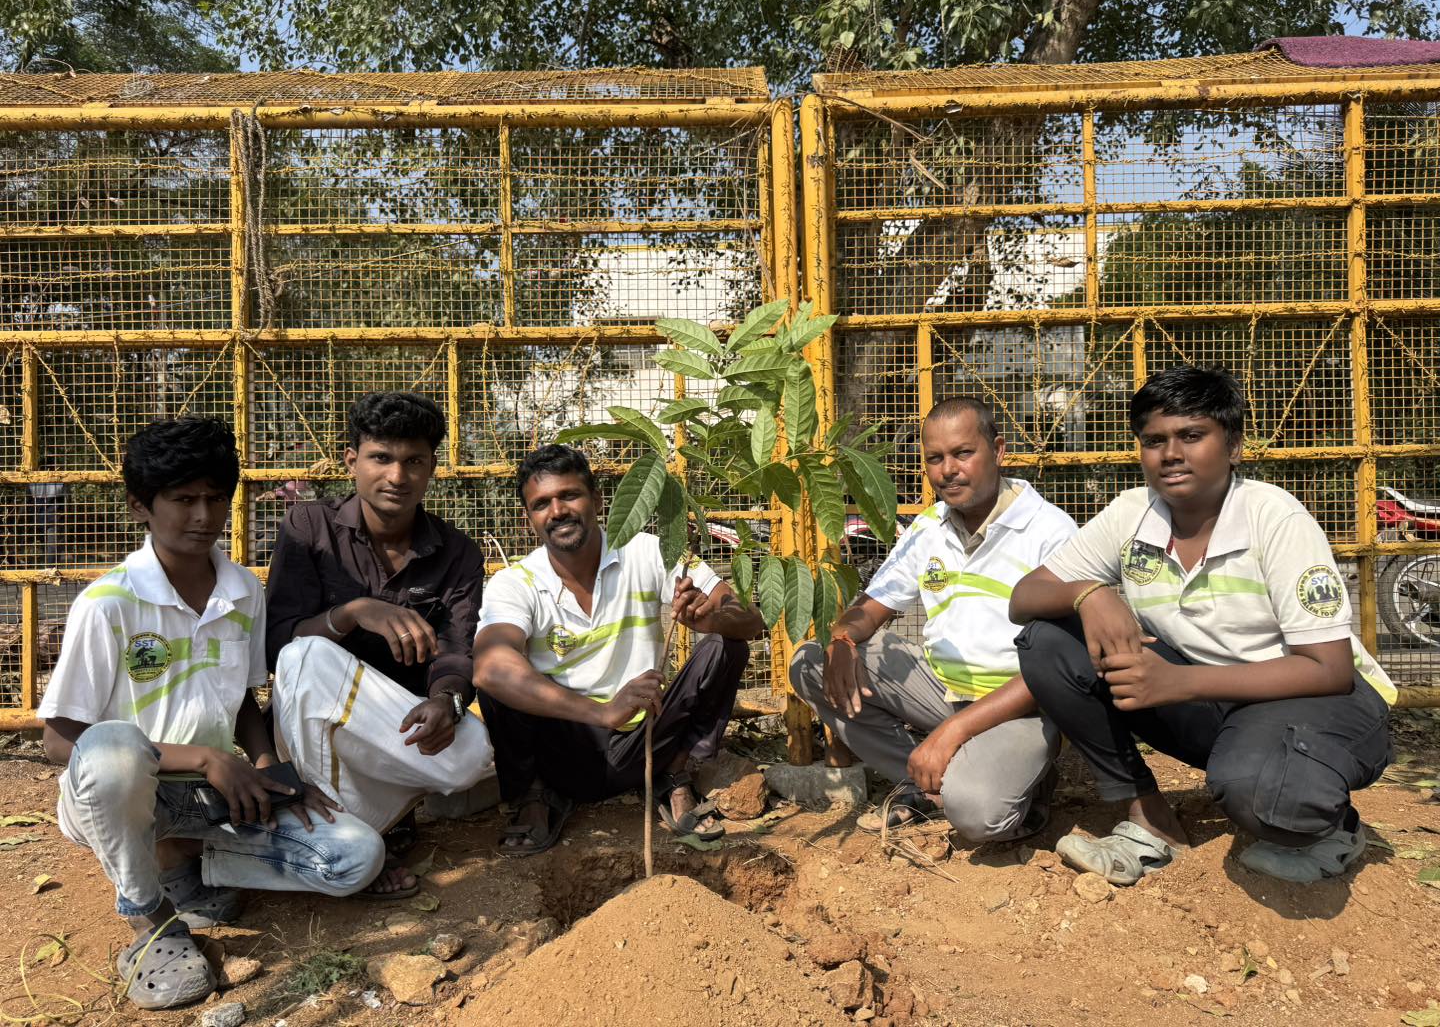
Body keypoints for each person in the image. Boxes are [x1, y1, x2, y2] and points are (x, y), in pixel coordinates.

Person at [38, 417, 385, 1011]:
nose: (203, 516)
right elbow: (61, 741)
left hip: (213, 794)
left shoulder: (243, 591)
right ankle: (149, 924)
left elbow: (248, 701)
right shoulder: (107, 604)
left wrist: (273, 773)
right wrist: (205, 757)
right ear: (140, 506)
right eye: (182, 499)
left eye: (215, 498)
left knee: (356, 857)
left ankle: (191, 864)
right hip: (122, 798)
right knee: (117, 751)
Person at [1010, 365, 1394, 885]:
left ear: (1233, 446)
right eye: (1154, 440)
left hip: (1318, 703)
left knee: (1252, 793)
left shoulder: (1274, 519)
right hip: (1214, 701)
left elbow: (1329, 671)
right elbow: (1024, 597)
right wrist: (1088, 592)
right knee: (1048, 642)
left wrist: (1178, 682)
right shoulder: (1132, 514)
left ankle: (1334, 830)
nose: (1171, 453)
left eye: (1192, 435)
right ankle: (1147, 819)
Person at [790, 398, 1077, 841]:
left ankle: (1013, 783)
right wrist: (843, 639)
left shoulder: (1049, 532)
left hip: (1023, 706)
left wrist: (952, 733)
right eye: (934, 458)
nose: (947, 470)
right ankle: (923, 782)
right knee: (811, 662)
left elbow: (1060, 668)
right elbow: (871, 606)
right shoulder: (929, 529)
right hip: (944, 693)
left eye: (963, 453)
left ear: (998, 451)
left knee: (979, 817)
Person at [472, 444, 765, 855]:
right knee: (498, 673)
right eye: (542, 504)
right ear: (528, 520)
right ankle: (534, 795)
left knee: (724, 647)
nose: (557, 511)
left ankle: (676, 774)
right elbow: (489, 670)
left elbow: (751, 621)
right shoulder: (514, 582)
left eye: (569, 495)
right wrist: (600, 711)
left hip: (646, 739)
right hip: (563, 747)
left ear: (597, 500)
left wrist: (712, 618)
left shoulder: (648, 551)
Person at [266, 392, 494, 899]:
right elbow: (275, 646)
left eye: (414, 461)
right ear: (352, 462)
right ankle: (347, 835)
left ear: (432, 466)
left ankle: (364, 826)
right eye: (381, 458)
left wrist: (446, 701)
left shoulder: (456, 552)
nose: (397, 476)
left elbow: (458, 647)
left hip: (390, 721)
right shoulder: (309, 527)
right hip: (309, 722)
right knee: (306, 654)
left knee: (473, 753)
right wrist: (353, 613)